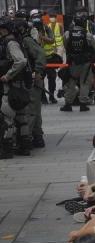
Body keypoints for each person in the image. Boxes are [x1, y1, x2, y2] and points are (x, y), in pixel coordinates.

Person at [0, 17, 30, 159]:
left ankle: (6, 149)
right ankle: (24, 147)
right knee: (21, 117)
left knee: (8, 117)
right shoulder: (15, 40)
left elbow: (21, 61)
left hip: (11, 87)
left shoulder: (10, 42)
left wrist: (8, 75)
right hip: (20, 86)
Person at [17, 18, 44, 149]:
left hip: (32, 79)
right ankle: (37, 137)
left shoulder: (26, 40)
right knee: (35, 110)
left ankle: (27, 138)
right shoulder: (24, 40)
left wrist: (37, 71)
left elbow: (40, 54)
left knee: (31, 111)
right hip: (32, 78)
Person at [61, 10, 95, 112]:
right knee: (84, 82)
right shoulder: (87, 34)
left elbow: (65, 44)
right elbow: (94, 46)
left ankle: (68, 104)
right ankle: (83, 105)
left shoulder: (68, 33)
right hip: (85, 63)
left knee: (70, 82)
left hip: (72, 62)